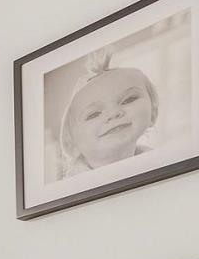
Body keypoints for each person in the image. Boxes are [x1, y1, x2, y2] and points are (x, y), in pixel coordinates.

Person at [59, 48, 159, 177]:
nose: (114, 113)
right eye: (93, 114)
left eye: (129, 99)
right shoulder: (71, 189)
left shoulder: (160, 164)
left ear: (153, 113)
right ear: (71, 143)